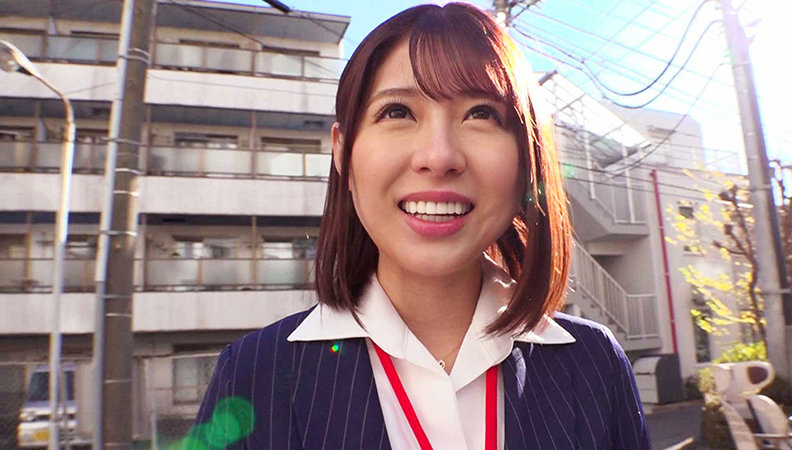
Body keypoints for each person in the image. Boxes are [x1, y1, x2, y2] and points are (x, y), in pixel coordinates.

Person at [194, 3, 651, 449]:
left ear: (526, 162)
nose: (439, 157)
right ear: (342, 153)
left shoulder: (596, 363)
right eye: (397, 112)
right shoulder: (252, 375)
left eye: (481, 114)